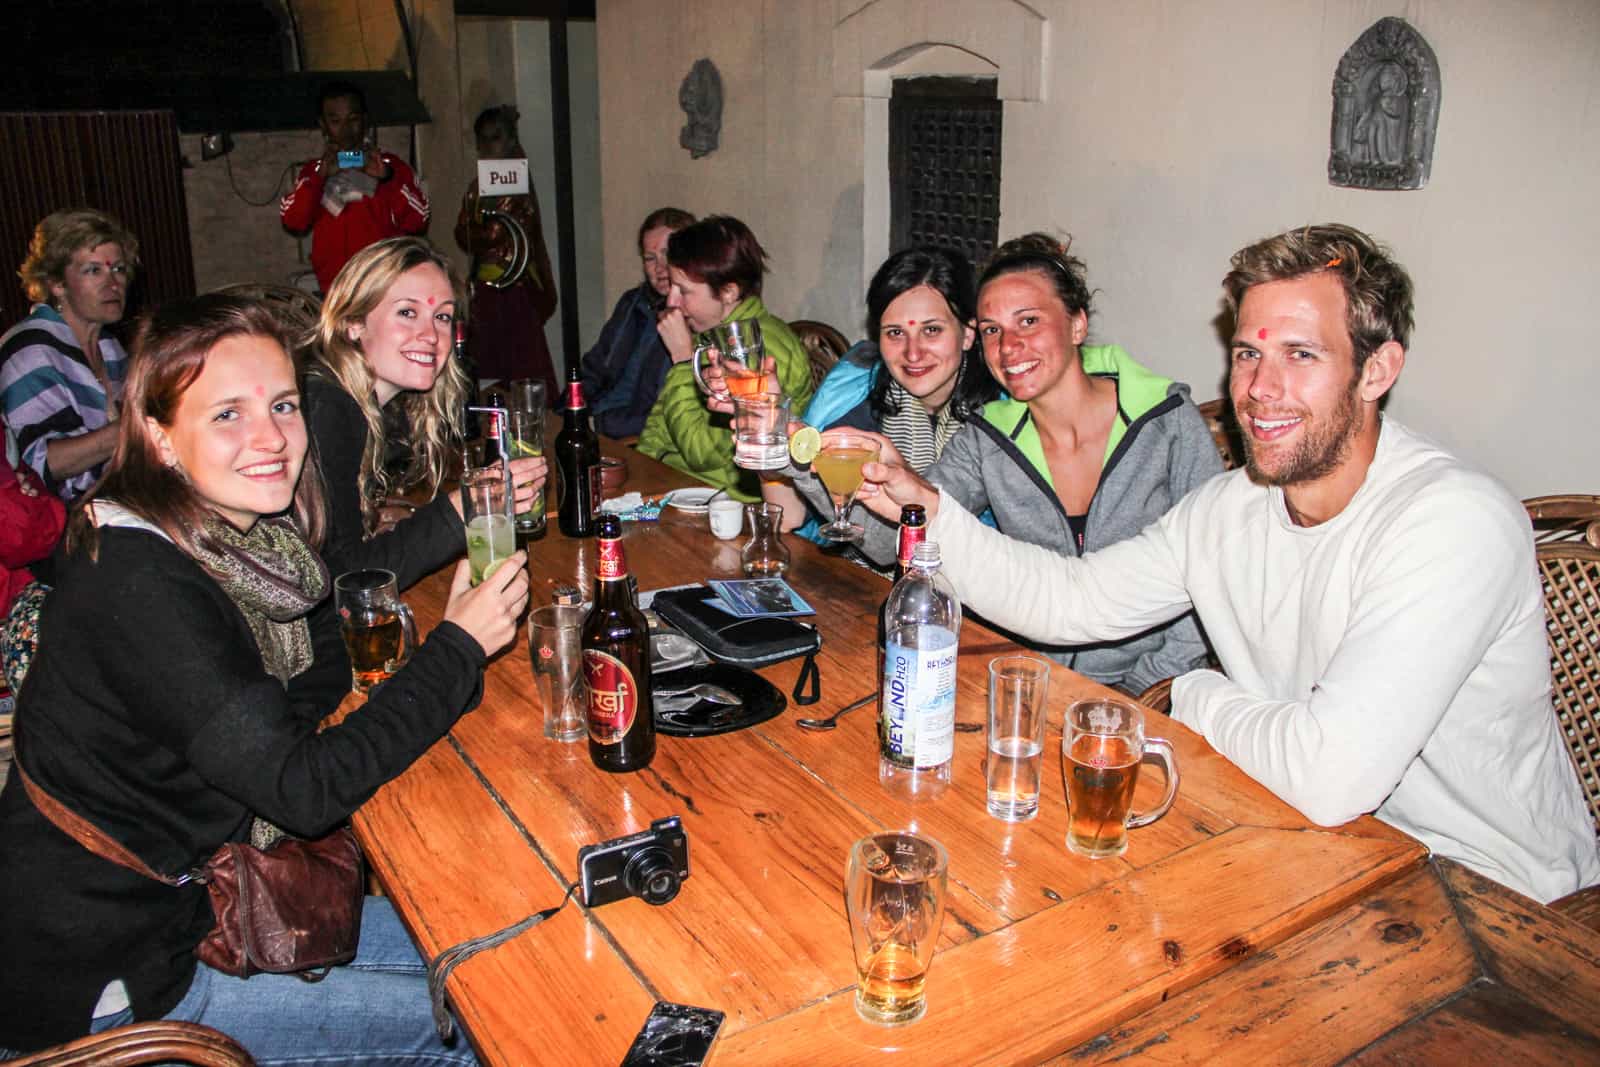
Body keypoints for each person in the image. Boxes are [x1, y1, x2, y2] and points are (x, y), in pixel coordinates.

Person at [854, 223, 1600, 904]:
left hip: (1498, 897)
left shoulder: (1451, 523)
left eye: (1299, 355)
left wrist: (1196, 694)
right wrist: (927, 504)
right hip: (1315, 851)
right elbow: (1069, 598)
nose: (1258, 389)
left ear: (1378, 370)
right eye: (1248, 354)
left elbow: (1327, 774)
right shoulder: (1232, 506)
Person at [0, 293, 527, 1059]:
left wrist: (434, 652)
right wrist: (456, 649)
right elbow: (303, 790)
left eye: (283, 404)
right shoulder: (140, 579)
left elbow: (300, 678)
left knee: (488, 933)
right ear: (158, 433)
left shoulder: (224, 539)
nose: (271, 438)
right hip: (114, 974)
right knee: (491, 1021)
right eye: (227, 414)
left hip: (181, 902)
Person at [834, 234, 1221, 695]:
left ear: (1077, 324)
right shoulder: (987, 438)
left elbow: (1214, 575)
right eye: (994, 329)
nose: (1009, 346)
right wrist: (803, 456)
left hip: (1150, 689)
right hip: (1022, 676)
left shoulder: (1165, 423)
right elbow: (896, 543)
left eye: (1029, 321)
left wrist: (1143, 688)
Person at [305, 237, 545, 585]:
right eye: (407, 312)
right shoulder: (327, 409)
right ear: (353, 322)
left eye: (442, 316)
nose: (431, 335)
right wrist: (466, 506)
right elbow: (349, 580)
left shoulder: (367, 405)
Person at [763, 246, 998, 543]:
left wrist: (901, 472)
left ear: (967, 334)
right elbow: (789, 515)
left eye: (932, 330)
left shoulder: (998, 420)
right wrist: (771, 431)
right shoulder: (854, 393)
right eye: (895, 333)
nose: (913, 353)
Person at [637, 215, 814, 500]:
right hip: (677, 487)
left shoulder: (758, 350)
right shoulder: (711, 333)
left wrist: (683, 360)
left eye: (683, 290)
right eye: (671, 287)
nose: (672, 301)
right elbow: (658, 428)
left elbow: (701, 454)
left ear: (729, 291)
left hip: (730, 504)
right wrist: (637, 480)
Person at [0, 209, 137, 501]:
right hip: (61, 526)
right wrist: (135, 427)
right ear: (56, 284)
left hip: (114, 507)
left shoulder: (109, 348)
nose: (112, 284)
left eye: (119, 269)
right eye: (93, 270)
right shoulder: (30, 350)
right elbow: (42, 462)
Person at [280, 81, 431, 294]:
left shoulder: (391, 166)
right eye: (335, 121)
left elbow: (418, 221)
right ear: (322, 125)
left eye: (353, 119)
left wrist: (387, 179)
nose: (345, 130)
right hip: (336, 292)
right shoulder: (312, 172)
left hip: (383, 288)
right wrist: (319, 178)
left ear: (365, 120)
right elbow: (293, 221)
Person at [453, 105, 559, 396]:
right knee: (486, 371)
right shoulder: (478, 185)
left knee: (525, 370)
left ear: (511, 140)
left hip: (515, 288)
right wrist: (477, 231)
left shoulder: (515, 180)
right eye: (483, 140)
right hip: (485, 290)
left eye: (496, 138)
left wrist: (477, 231)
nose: (489, 146)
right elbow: (463, 233)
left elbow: (493, 233)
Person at [578, 206, 696, 438]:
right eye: (650, 258)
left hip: (631, 438)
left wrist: (597, 425)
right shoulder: (633, 303)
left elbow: (664, 417)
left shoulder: (696, 320)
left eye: (668, 255)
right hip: (593, 421)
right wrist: (565, 411)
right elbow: (594, 368)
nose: (660, 268)